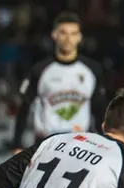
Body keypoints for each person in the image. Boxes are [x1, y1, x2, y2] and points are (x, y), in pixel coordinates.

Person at [11, 11, 106, 152]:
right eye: (63, 33)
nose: (68, 38)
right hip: (46, 143)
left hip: (81, 144)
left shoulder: (92, 70)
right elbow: (25, 107)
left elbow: (99, 110)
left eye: (73, 33)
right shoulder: (40, 70)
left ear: (79, 37)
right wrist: (17, 144)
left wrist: (105, 142)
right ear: (54, 35)